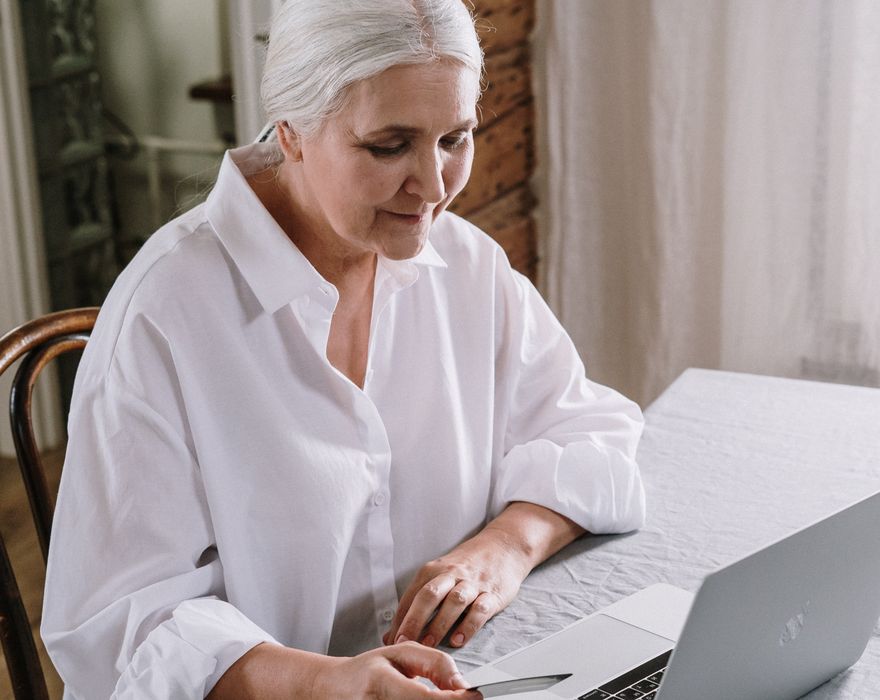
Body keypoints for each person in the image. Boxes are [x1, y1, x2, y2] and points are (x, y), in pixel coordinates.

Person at [40, 1, 646, 697]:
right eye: (389, 146)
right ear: (291, 131)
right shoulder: (164, 315)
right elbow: (124, 631)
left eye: (455, 138)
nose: (434, 187)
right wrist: (331, 685)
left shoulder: (468, 265)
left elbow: (592, 435)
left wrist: (502, 549)